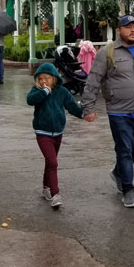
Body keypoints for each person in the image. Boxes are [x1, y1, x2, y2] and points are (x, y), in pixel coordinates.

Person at [82, 13, 134, 209]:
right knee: (124, 149)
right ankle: (128, 189)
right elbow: (93, 80)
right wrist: (88, 107)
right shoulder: (108, 52)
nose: (133, 30)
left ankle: (119, 171)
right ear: (119, 30)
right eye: (128, 27)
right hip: (118, 110)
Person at [28, 63, 89, 209]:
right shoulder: (37, 90)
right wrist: (44, 92)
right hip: (42, 132)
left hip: (58, 132)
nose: (43, 81)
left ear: (54, 78)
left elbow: (71, 106)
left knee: (50, 162)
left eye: (46, 78)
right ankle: (56, 194)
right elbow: (30, 100)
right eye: (40, 78)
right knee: (53, 162)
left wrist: (83, 114)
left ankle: (46, 187)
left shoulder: (62, 91)